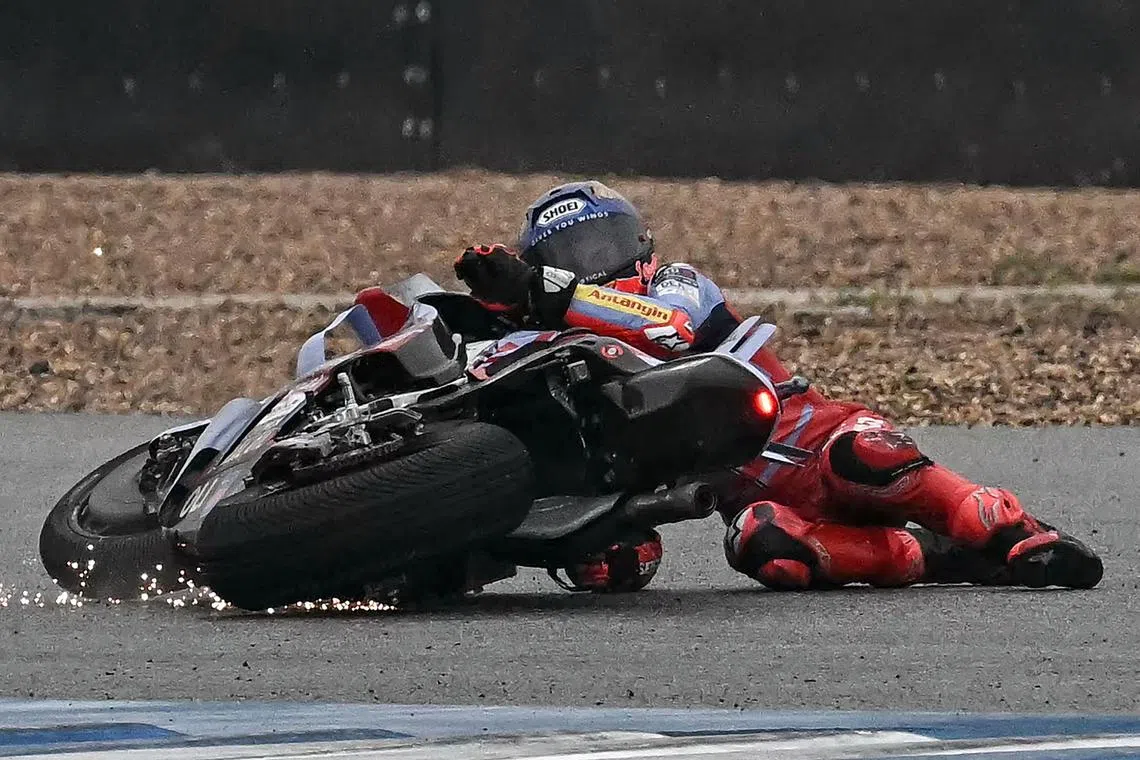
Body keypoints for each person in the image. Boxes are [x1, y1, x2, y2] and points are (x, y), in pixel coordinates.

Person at [449, 180, 1105, 594]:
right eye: (567, 257)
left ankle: (1012, 532)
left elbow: (669, 329)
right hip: (764, 501)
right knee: (763, 546)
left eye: (601, 247)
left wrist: (546, 290)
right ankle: (936, 558)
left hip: (822, 444)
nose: (590, 267)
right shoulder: (564, 350)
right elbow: (635, 548)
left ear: (639, 247)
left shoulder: (677, 284)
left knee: (863, 458)